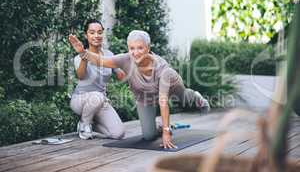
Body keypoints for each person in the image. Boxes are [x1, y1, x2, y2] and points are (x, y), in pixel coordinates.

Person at [68, 30, 210, 148]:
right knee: (149, 135)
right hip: (145, 96)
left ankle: (196, 96)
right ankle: (158, 125)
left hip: (171, 87)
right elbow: (100, 61)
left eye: (140, 48)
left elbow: (163, 101)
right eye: (132, 48)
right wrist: (82, 52)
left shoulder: (162, 69)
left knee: (184, 98)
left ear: (148, 48)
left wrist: (167, 132)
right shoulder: (125, 59)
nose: (135, 52)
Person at [70, 19, 126, 140]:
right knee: (97, 96)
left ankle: (92, 125)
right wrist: (83, 55)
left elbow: (121, 75)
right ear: (86, 35)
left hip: (100, 101)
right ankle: (84, 124)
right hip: (80, 100)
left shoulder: (109, 55)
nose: (96, 35)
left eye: (99, 32)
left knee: (118, 133)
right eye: (92, 32)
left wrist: (129, 62)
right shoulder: (79, 56)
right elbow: (81, 75)